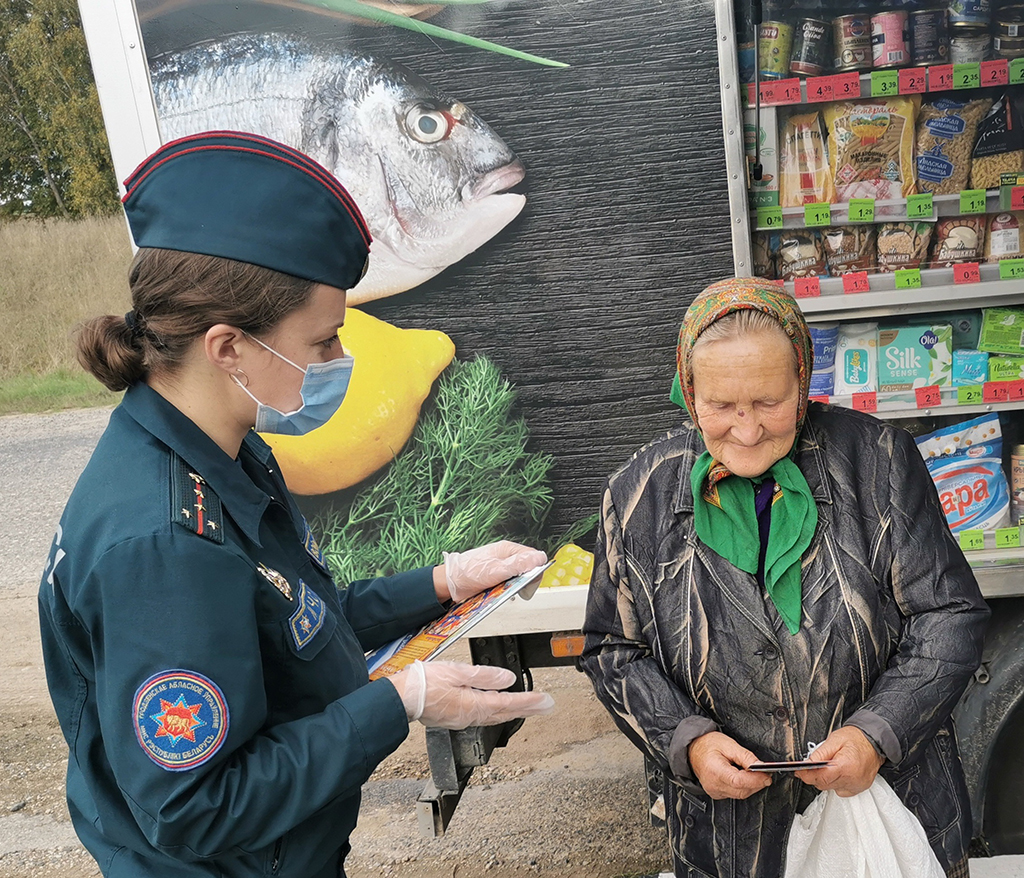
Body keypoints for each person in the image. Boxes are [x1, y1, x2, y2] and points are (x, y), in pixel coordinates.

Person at [37, 131, 554, 878]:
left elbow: (294, 624)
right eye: (321, 344)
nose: (338, 364)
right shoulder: (164, 543)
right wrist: (397, 703)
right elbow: (198, 806)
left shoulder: (222, 450)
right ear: (228, 349)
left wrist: (441, 584)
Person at [580, 277, 989, 878]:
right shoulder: (637, 495)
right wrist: (687, 741)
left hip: (885, 808)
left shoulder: (878, 462)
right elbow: (613, 649)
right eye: (721, 407)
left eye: (769, 403)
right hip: (730, 835)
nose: (746, 432)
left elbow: (949, 613)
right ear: (689, 393)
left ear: (803, 384)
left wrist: (878, 733)